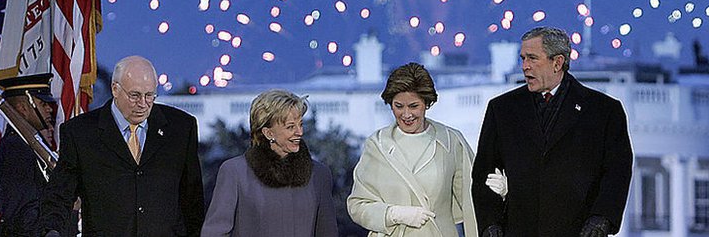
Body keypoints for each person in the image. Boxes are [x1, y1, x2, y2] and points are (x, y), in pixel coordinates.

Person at [472, 27, 633, 237]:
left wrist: (601, 218)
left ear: (557, 63)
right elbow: (484, 173)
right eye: (522, 58)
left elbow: (617, 172)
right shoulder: (502, 109)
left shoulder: (603, 111)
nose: (525, 66)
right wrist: (489, 223)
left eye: (532, 58)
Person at [39, 56, 205, 237]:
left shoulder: (180, 128)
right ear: (115, 89)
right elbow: (60, 194)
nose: (143, 104)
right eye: (134, 95)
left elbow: (193, 200)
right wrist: (52, 231)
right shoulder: (81, 133)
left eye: (149, 95)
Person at [348, 62, 478, 236]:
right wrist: (393, 214)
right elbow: (357, 205)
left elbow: (473, 201)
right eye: (399, 106)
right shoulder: (377, 145)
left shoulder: (451, 141)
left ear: (426, 103)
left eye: (414, 106)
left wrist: (502, 192)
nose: (406, 114)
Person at [201, 90, 338, 237]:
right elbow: (215, 232)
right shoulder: (234, 172)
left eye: (300, 124)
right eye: (290, 127)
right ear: (268, 133)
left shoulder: (319, 174)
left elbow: (327, 232)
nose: (300, 132)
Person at [0, 73, 70, 237]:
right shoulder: (15, 149)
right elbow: (22, 216)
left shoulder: (30, 146)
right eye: (42, 103)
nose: (48, 109)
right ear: (22, 108)